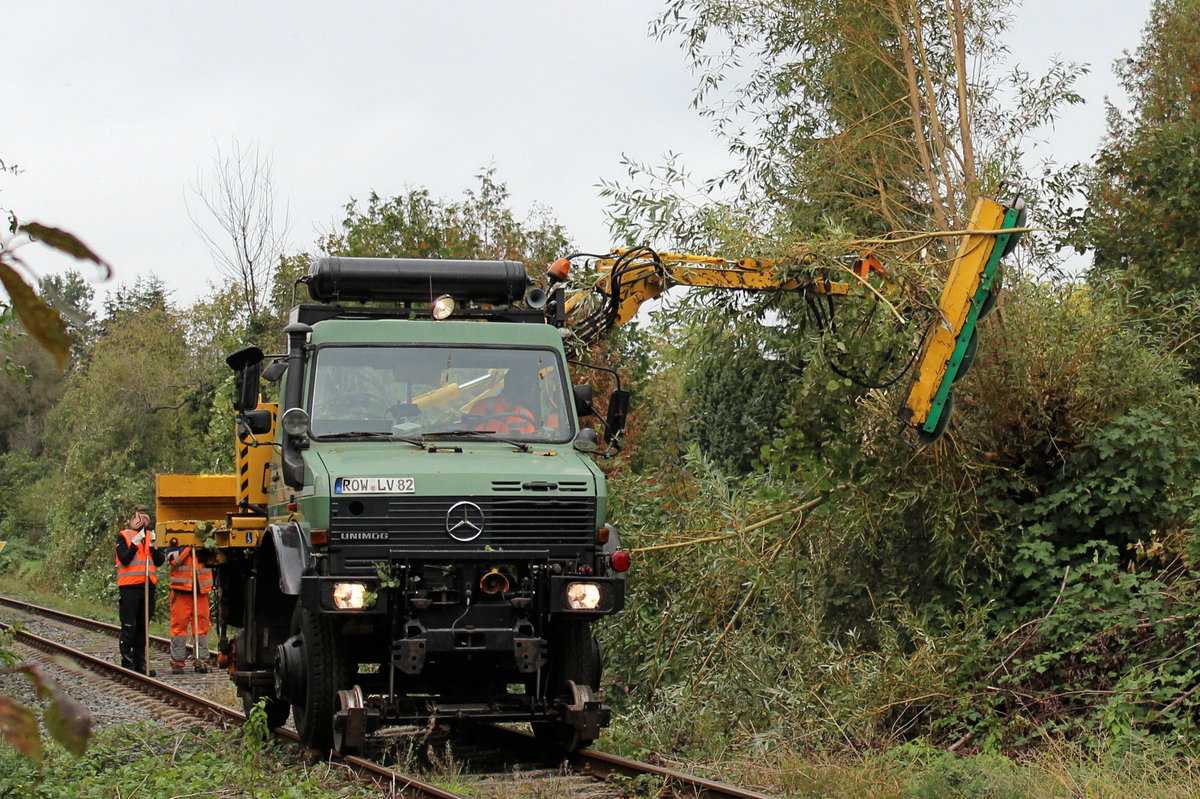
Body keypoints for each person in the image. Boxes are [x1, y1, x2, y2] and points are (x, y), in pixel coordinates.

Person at [115, 506, 164, 675]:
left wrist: (155, 547)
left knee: (143, 628)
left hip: (148, 586)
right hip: (129, 587)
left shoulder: (151, 537)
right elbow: (124, 558)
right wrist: (135, 544)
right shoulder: (124, 536)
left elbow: (159, 561)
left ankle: (141, 664)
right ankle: (127, 663)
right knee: (130, 626)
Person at [166, 546, 213, 674]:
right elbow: (173, 560)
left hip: (201, 591)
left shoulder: (205, 539)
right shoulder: (176, 538)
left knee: (202, 628)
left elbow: (213, 559)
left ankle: (202, 661)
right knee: (179, 627)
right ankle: (177, 662)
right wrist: (188, 548)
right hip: (181, 591)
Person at [469, 366, 538, 435]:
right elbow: (470, 437)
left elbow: (531, 442)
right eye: (525, 390)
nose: (529, 396)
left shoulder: (527, 416)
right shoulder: (481, 407)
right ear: (510, 388)